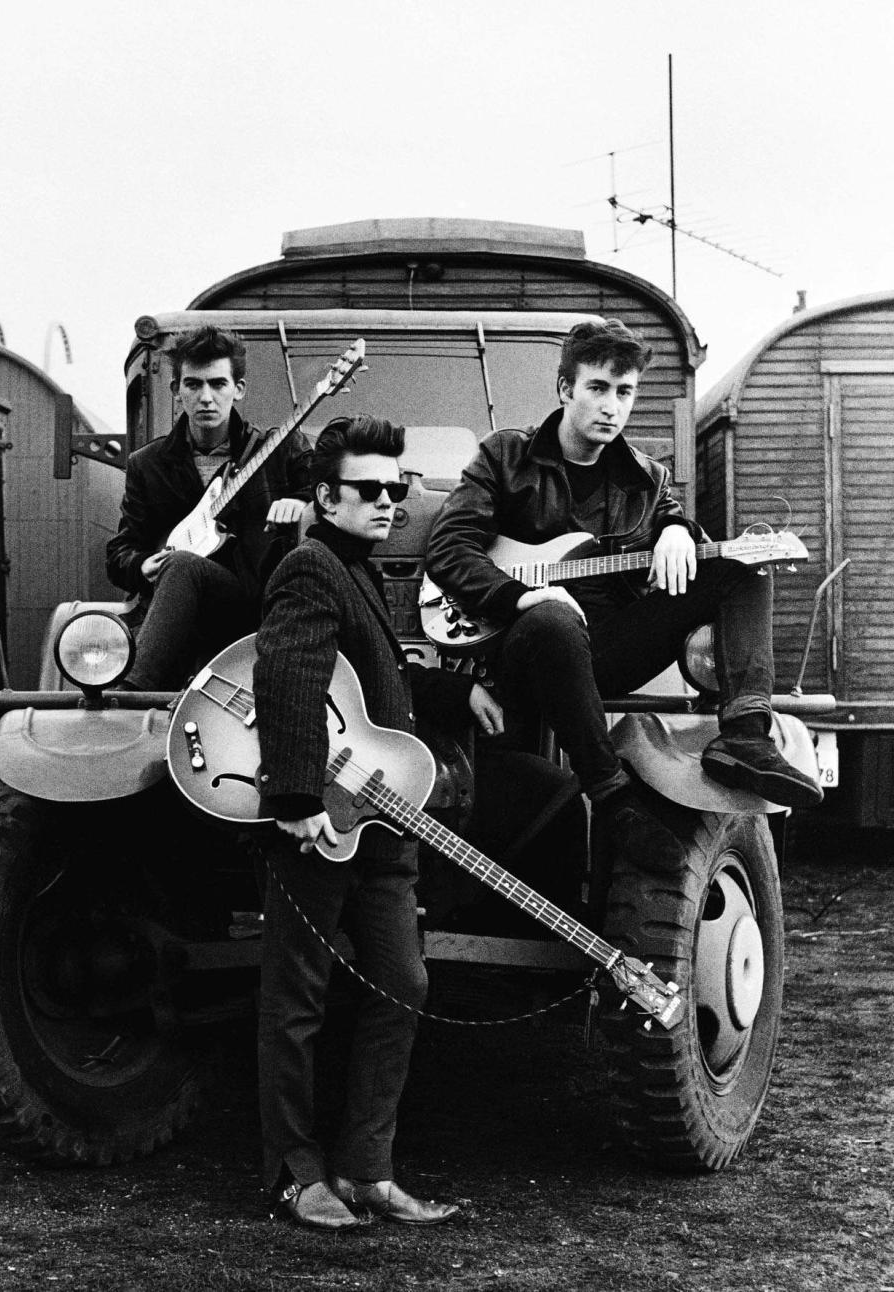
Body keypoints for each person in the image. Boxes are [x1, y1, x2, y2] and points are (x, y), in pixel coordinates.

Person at [425, 318, 822, 871]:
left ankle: (746, 737)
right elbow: (448, 547)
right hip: (516, 652)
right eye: (597, 388)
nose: (612, 406)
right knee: (552, 619)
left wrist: (681, 531)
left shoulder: (648, 481)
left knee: (743, 567)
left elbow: (677, 525)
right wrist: (519, 597)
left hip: (606, 650)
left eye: (625, 391)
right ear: (566, 389)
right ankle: (613, 797)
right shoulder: (506, 456)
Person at [251, 415, 506, 1231]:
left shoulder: (358, 570)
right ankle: (295, 1174)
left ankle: (367, 1170)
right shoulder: (311, 567)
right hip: (322, 818)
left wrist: (449, 692)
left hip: (381, 820)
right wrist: (294, 806)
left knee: (404, 981)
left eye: (398, 488)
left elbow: (372, 686)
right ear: (324, 496)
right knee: (297, 998)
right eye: (369, 489)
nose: (389, 502)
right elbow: (287, 673)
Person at [106, 326, 312, 691]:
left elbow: (327, 493)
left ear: (239, 389)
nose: (206, 397)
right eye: (193, 385)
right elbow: (120, 552)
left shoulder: (280, 449)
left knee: (183, 565)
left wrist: (301, 504)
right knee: (180, 565)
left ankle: (131, 691)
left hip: (254, 606)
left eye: (218, 384)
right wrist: (141, 564)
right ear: (176, 391)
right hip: (175, 615)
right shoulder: (146, 464)